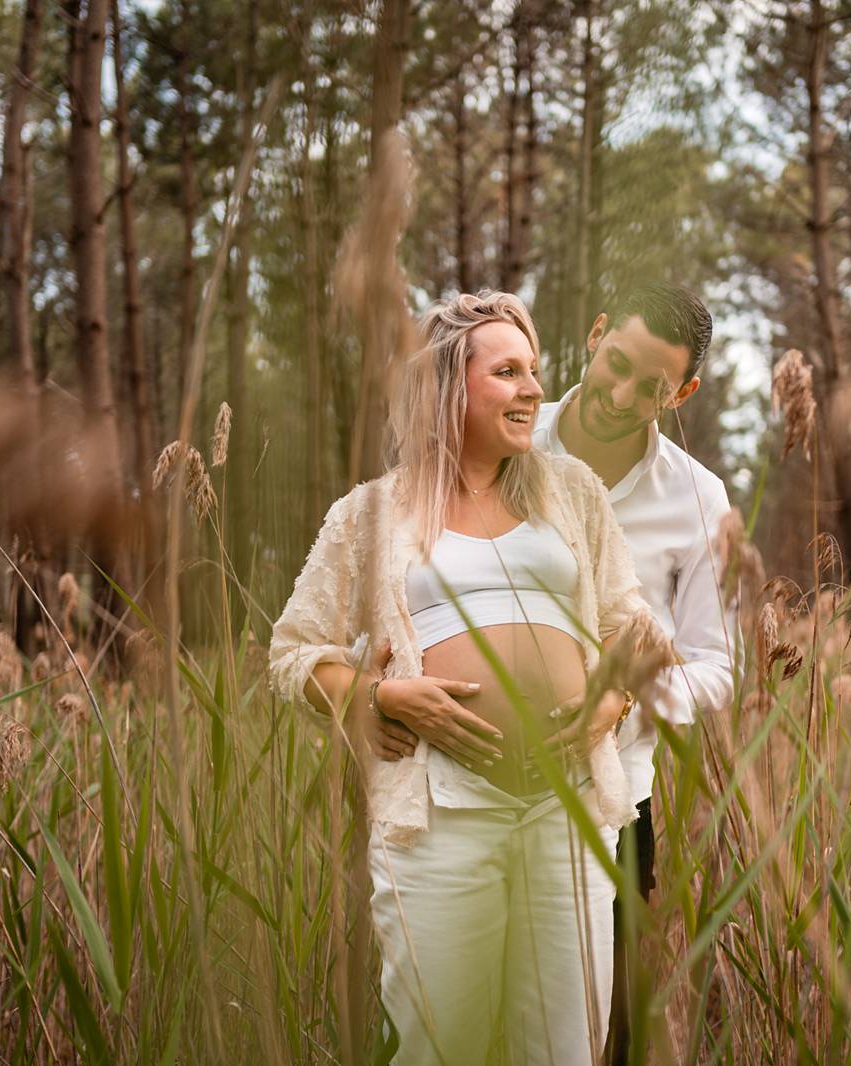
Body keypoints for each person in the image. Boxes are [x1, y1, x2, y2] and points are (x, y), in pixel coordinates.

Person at [269, 291, 670, 1065]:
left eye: (536, 373)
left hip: (567, 810)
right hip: (442, 815)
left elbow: (633, 630)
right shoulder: (372, 514)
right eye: (509, 372)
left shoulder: (573, 493)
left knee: (564, 1049)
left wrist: (606, 708)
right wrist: (373, 694)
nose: (533, 391)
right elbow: (293, 651)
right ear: (449, 387)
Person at [531, 284, 734, 1059]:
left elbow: (717, 666)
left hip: (610, 812)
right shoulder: (498, 444)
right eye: (616, 363)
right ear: (594, 331)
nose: (620, 395)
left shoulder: (699, 499)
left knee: (591, 1040)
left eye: (651, 387)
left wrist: (625, 697)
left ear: (681, 392)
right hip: (468, 790)